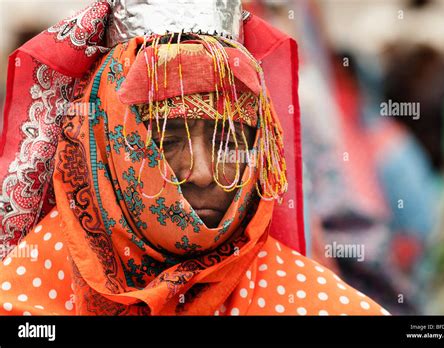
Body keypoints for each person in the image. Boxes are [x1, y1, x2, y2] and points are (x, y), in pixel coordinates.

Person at [0, 0, 389, 316]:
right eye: (166, 142)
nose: (203, 174)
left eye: (231, 141)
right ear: (106, 145)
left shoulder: (323, 308)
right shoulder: (20, 305)